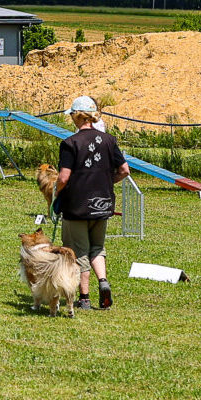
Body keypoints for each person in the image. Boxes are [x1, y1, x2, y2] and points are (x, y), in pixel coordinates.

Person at [56, 95, 130, 310]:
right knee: (97, 247)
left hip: (77, 206)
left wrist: (55, 193)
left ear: (77, 116)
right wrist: (109, 181)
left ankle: (85, 298)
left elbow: (63, 178)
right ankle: (103, 282)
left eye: (71, 114)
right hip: (103, 204)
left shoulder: (70, 143)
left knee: (79, 251)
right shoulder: (109, 140)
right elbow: (124, 170)